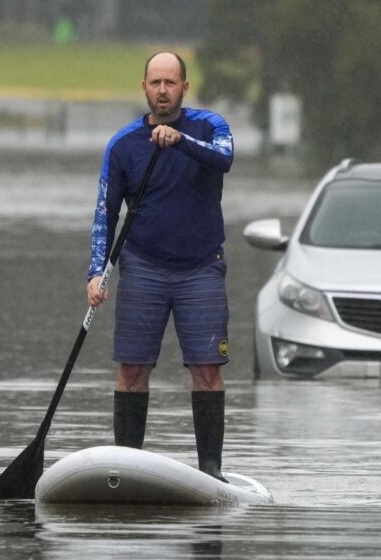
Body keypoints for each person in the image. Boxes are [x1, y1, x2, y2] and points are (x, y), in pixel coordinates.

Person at [87, 52, 233, 482]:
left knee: (207, 370)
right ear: (144, 87)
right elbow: (104, 214)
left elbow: (223, 158)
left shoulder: (211, 126)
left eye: (171, 83)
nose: (163, 91)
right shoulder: (124, 144)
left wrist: (179, 140)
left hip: (201, 268)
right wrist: (96, 272)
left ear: (184, 88)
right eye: (156, 83)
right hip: (144, 269)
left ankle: (211, 470)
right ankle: (127, 467)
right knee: (132, 370)